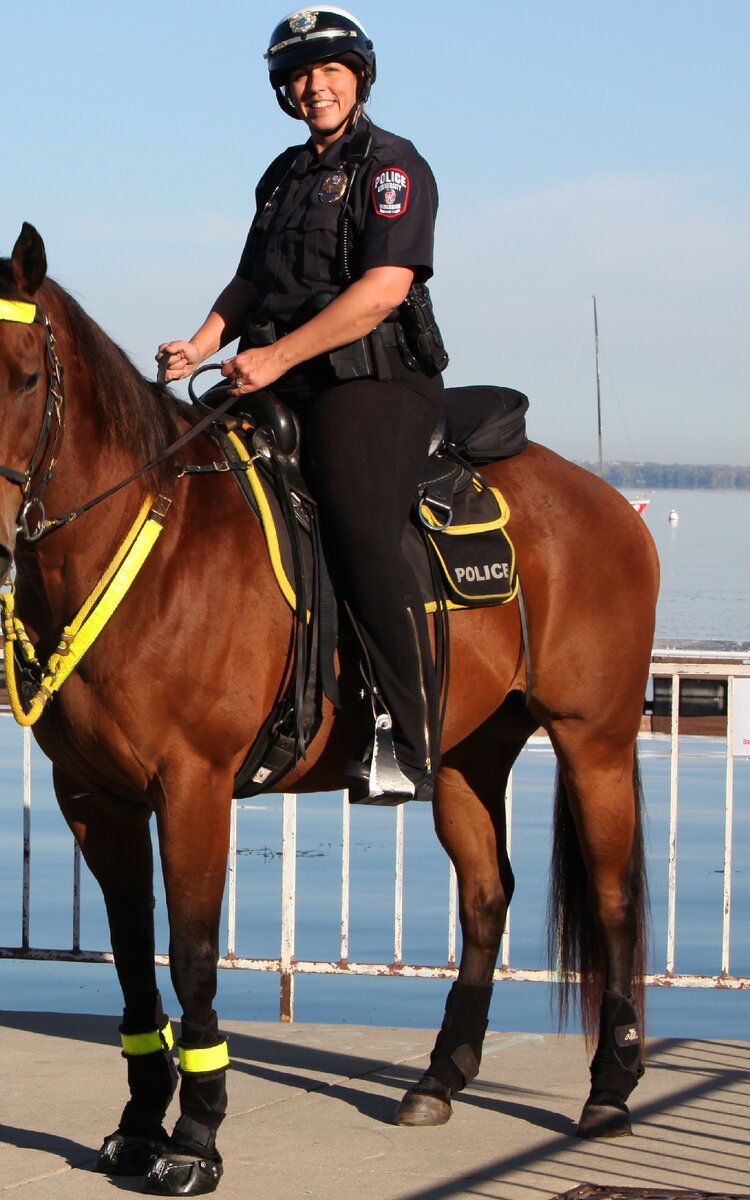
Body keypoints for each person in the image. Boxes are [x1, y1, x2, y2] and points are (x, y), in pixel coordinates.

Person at [158, 6, 448, 804]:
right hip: (275, 372)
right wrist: (203, 344)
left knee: (357, 520)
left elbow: (383, 290)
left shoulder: (393, 167)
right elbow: (252, 281)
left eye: (329, 72)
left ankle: (405, 733)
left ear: (358, 77)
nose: (314, 87)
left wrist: (276, 356)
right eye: (299, 76)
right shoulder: (282, 174)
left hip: (371, 380)